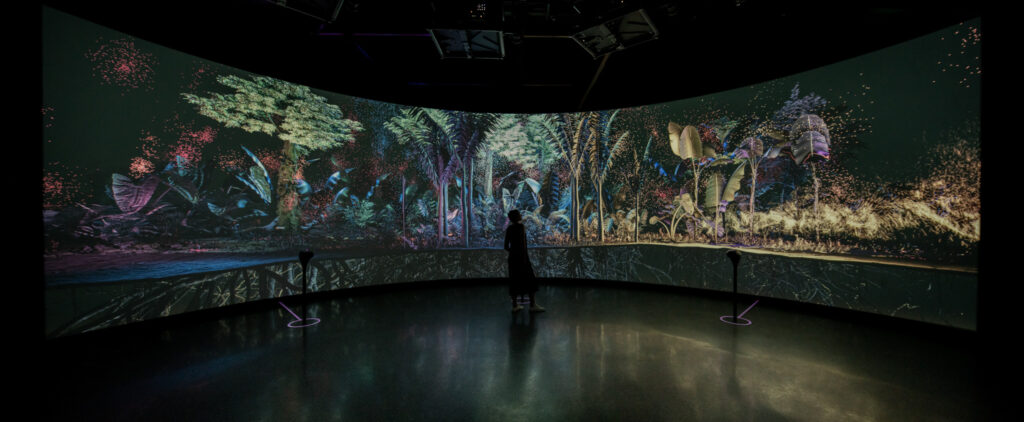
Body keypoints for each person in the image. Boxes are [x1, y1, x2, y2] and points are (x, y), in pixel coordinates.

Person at [504, 210, 544, 313]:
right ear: (517, 217)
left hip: (512, 259)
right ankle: (532, 305)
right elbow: (523, 245)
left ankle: (515, 305)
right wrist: (523, 257)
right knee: (530, 281)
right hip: (522, 259)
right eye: (519, 214)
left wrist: (513, 252)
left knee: (514, 281)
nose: (521, 215)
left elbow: (506, 246)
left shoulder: (509, 229)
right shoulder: (521, 227)